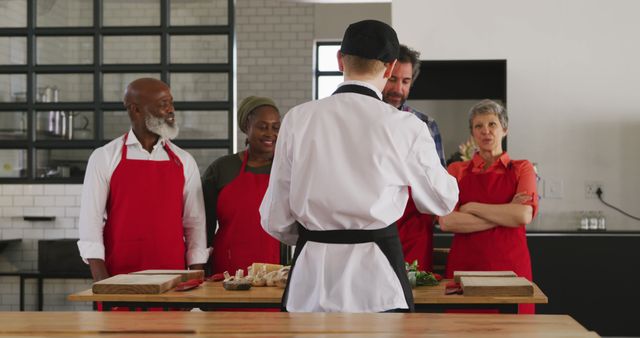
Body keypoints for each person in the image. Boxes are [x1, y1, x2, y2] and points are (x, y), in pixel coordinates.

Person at [260, 20, 458, 313]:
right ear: (391, 68)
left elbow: (275, 217)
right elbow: (442, 201)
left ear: (340, 59)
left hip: (311, 276)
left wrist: (318, 236)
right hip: (378, 278)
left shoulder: (297, 119)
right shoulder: (405, 127)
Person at [77, 78, 208, 282]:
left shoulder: (184, 161)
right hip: (119, 278)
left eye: (171, 103)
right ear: (135, 110)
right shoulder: (104, 157)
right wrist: (103, 284)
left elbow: (195, 224)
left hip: (174, 279)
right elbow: (90, 224)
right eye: (163, 104)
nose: (171, 110)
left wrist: (195, 278)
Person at [439, 99, 538, 314]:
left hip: (512, 269)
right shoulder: (457, 170)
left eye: (492, 124)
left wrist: (472, 206)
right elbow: (447, 221)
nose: (486, 131)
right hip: (465, 269)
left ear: (504, 129)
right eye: (479, 126)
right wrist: (505, 211)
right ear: (472, 133)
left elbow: (522, 215)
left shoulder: (522, 168)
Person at [382, 44, 445, 272]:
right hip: (372, 227)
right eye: (392, 79)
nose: (398, 88)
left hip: (414, 230)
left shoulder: (426, 125)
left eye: (406, 81)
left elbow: (437, 189)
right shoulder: (361, 122)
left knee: (414, 300)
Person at [201, 96, 282, 275]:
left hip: (275, 270)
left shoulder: (286, 170)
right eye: (262, 127)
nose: (270, 133)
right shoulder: (222, 168)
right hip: (227, 268)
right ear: (246, 126)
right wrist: (200, 267)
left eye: (276, 127)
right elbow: (203, 225)